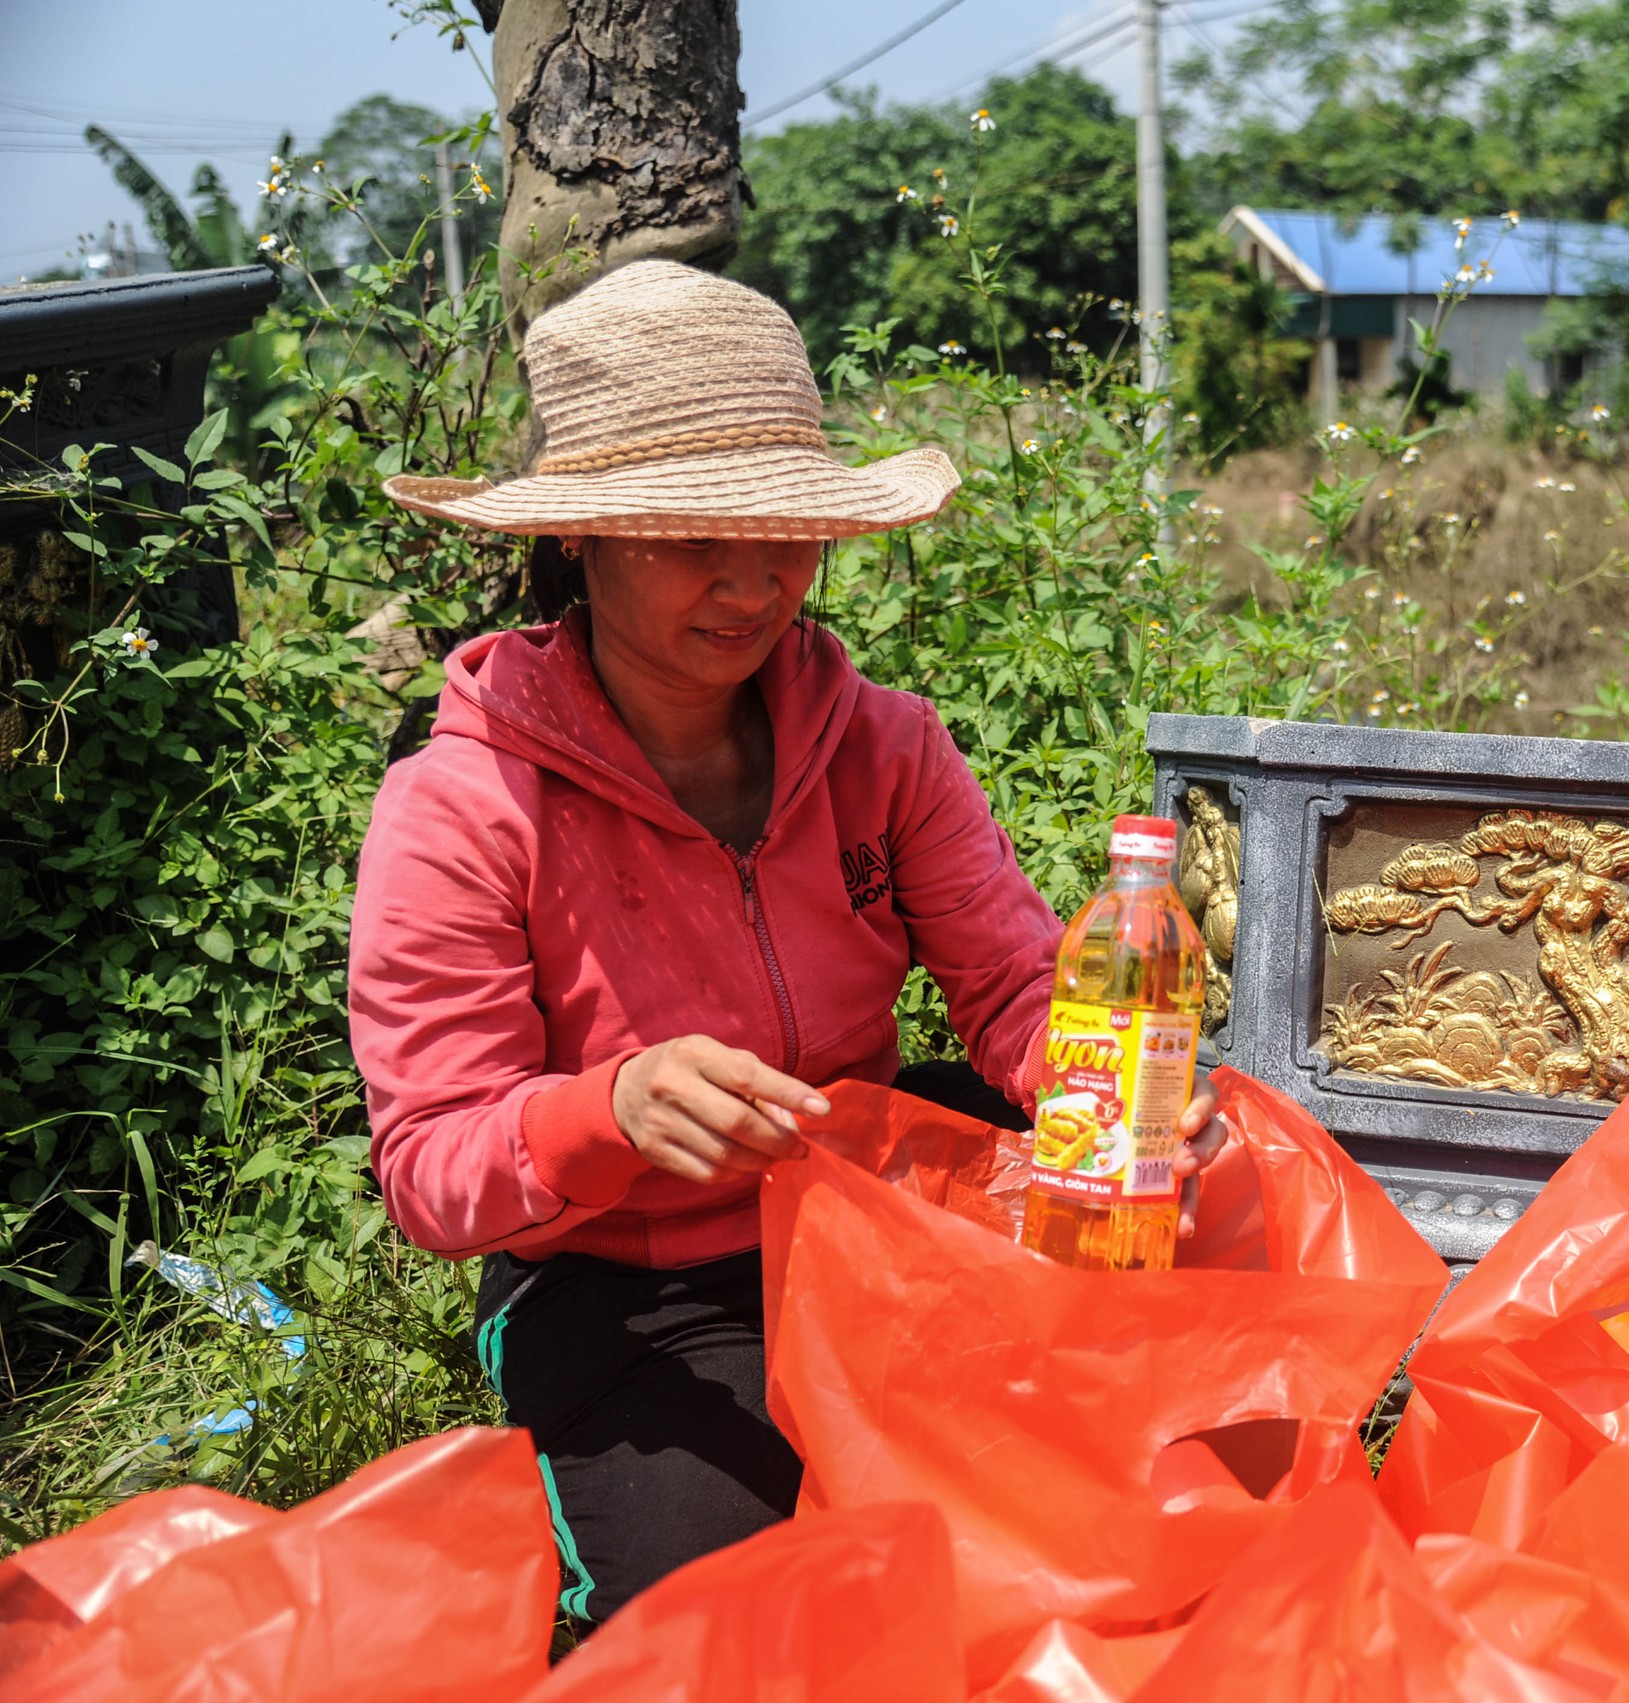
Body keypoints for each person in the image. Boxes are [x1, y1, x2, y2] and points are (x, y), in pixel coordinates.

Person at [349, 260, 1227, 1622]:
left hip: (873, 1223)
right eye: (696, 534)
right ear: (579, 535)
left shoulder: (886, 747)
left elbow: (1008, 991)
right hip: (630, 1292)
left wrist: (1104, 1087)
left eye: (789, 531)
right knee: (761, 1621)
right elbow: (431, 1171)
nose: (756, 582)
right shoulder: (465, 809)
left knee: (1133, 1494)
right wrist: (610, 1113)